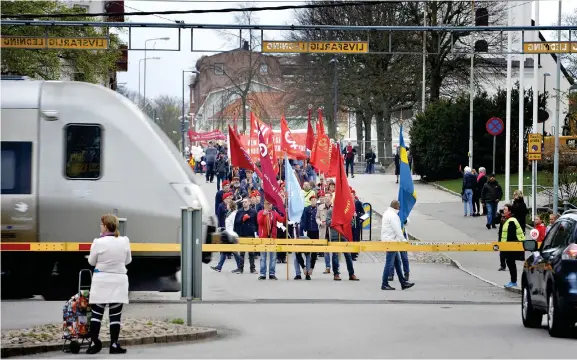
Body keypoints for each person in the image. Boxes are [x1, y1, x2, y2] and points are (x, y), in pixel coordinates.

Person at [86, 214, 132, 354]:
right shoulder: (124, 241)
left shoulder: (98, 242)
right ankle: (114, 345)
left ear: (105, 226)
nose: (100, 227)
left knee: (96, 314)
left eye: (101, 224)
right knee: (115, 315)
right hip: (118, 281)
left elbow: (91, 262)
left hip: (101, 281)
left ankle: (95, 343)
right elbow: (128, 260)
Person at [380, 200, 414, 291]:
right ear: (396, 207)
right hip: (392, 242)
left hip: (389, 240)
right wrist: (403, 240)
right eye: (399, 207)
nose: (399, 209)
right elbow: (397, 230)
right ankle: (384, 283)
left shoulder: (387, 213)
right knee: (389, 263)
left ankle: (403, 282)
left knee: (397, 263)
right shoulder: (393, 216)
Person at [326, 197, 359, 281]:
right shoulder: (330, 211)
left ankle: (351, 273)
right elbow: (327, 222)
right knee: (335, 255)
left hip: (344, 235)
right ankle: (336, 273)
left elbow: (351, 222)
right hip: (335, 236)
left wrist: (346, 223)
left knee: (348, 255)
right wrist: (335, 220)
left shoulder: (345, 211)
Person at [498, 203, 526, 288]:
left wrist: (507, 246)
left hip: (511, 245)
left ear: (509, 211)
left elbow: (511, 235)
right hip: (507, 245)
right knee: (510, 262)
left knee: (510, 262)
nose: (503, 211)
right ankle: (513, 281)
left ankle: (513, 281)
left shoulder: (512, 221)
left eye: (505, 209)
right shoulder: (507, 219)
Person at [257, 199, 285, 280]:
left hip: (272, 238)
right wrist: (263, 215)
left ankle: (272, 273)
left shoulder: (274, 213)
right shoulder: (260, 212)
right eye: (267, 204)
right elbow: (259, 222)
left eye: (270, 204)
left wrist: (286, 214)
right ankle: (262, 273)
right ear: (264, 205)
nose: (269, 205)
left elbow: (281, 220)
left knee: (273, 257)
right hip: (263, 237)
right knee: (263, 257)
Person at [211, 200, 242, 272]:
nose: (226, 206)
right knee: (225, 250)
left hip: (231, 234)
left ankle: (240, 266)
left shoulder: (234, 214)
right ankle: (219, 267)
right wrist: (223, 228)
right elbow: (229, 224)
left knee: (232, 251)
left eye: (228, 204)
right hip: (228, 233)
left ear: (231, 206)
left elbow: (235, 224)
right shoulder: (229, 213)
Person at [233, 197, 257, 274]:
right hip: (242, 233)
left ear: (249, 203)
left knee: (251, 252)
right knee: (242, 252)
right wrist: (242, 219)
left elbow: (256, 223)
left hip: (250, 233)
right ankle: (240, 268)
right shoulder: (239, 212)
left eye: (246, 202)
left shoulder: (253, 212)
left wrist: (255, 232)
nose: (244, 203)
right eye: (243, 202)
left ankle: (252, 268)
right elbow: (236, 222)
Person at [298, 194, 319, 280]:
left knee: (315, 252)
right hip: (309, 232)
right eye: (312, 200)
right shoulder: (307, 209)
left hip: (316, 232)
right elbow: (303, 220)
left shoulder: (319, 209)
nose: (313, 201)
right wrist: (303, 230)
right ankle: (305, 268)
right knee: (307, 252)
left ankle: (311, 268)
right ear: (310, 201)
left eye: (314, 200)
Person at [315, 191, 332, 274]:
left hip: (332, 231)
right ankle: (327, 267)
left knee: (334, 250)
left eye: (328, 196)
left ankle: (336, 267)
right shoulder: (320, 207)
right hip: (324, 230)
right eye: (325, 197)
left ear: (331, 197)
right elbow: (317, 217)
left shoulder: (334, 207)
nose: (326, 198)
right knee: (326, 250)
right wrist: (320, 222)